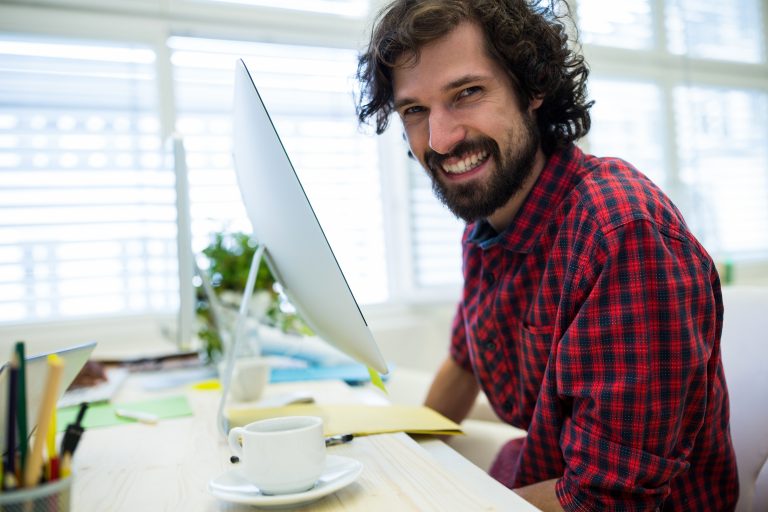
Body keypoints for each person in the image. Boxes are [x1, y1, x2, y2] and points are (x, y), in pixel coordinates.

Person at [355, 1, 738, 510]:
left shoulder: (620, 232)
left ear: (532, 87)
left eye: (467, 93)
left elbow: (602, 498)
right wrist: (401, 462)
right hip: (534, 481)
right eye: (414, 111)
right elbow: (465, 364)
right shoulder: (486, 226)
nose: (440, 140)